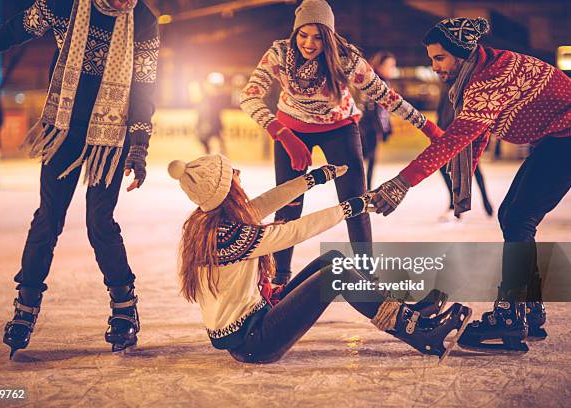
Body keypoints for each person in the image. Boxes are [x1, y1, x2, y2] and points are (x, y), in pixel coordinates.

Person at [0, 0, 160, 357]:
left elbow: (144, 84)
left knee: (99, 220)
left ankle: (124, 308)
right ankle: (25, 306)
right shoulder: (63, 4)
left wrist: (139, 146)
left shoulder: (143, 19)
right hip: (63, 128)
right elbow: (16, 28)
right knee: (48, 217)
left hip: (110, 134)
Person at [370, 17, 570, 353]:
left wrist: (402, 183)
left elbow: (455, 140)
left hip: (567, 138)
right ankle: (528, 307)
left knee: (519, 220)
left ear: (461, 54)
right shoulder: (485, 67)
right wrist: (464, 186)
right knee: (512, 216)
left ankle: (509, 318)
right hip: (557, 138)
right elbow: (474, 137)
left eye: (439, 58)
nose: (434, 67)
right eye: (432, 59)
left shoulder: (487, 80)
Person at [170, 154, 471, 363]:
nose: (239, 174)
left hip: (257, 322)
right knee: (335, 274)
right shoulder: (228, 236)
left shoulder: (211, 220)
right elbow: (295, 231)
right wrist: (352, 207)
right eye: (232, 173)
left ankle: (411, 312)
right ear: (226, 189)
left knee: (332, 260)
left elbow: (264, 203)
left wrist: (313, 179)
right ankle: (419, 333)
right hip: (255, 341)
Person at [239, 0, 443, 285]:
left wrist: (427, 126)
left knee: (355, 203)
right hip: (291, 129)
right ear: (295, 32)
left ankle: (366, 276)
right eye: (303, 34)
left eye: (318, 36)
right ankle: (279, 278)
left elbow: (386, 96)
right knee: (288, 206)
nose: (309, 43)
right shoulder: (278, 54)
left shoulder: (347, 60)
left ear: (329, 36)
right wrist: (282, 133)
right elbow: (248, 96)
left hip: (339, 128)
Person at [436, 83, 493, 220]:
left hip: (461, 133)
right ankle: (455, 204)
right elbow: (441, 111)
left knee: (472, 168)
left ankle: (484, 201)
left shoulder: (464, 83)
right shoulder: (446, 86)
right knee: (445, 168)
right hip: (446, 133)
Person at [358, 51, 395, 190]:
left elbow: (384, 111)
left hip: (372, 126)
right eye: (389, 66)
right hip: (367, 126)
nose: (392, 69)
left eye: (393, 66)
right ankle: (362, 188)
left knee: (370, 159)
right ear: (380, 66)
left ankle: (365, 188)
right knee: (365, 158)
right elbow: (374, 108)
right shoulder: (376, 82)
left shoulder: (384, 82)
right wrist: (382, 128)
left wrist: (386, 128)